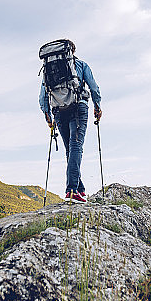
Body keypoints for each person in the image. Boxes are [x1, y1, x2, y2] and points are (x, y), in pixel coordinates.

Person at [39, 41, 102, 203]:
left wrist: (47, 116)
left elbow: (43, 95)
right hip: (78, 107)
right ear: (72, 51)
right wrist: (97, 105)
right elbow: (93, 87)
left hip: (58, 110)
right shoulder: (80, 65)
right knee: (76, 147)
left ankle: (79, 190)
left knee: (70, 150)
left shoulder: (49, 67)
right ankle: (72, 190)